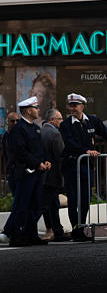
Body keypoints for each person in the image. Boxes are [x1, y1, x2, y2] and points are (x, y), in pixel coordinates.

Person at [60, 93, 107, 242]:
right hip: (72, 166)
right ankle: (75, 229)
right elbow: (69, 143)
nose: (72, 108)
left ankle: (81, 227)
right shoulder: (65, 125)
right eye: (70, 105)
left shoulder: (91, 121)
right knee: (73, 199)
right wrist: (85, 151)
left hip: (86, 166)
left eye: (75, 105)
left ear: (82, 106)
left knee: (85, 198)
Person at [4, 97, 51, 247]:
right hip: (26, 173)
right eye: (36, 108)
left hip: (37, 172)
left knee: (35, 205)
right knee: (22, 205)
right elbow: (21, 151)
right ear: (28, 110)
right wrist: (37, 163)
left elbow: (39, 149)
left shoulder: (34, 127)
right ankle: (17, 236)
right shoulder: (19, 129)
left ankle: (31, 234)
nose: (38, 110)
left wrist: (45, 160)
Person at [40, 108, 70, 242]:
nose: (62, 121)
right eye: (60, 119)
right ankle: (56, 231)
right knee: (50, 204)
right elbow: (61, 156)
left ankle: (56, 230)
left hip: (43, 174)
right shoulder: (55, 133)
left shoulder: (40, 131)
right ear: (53, 120)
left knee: (51, 203)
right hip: (54, 174)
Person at [0, 112, 20, 243]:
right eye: (12, 121)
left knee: (20, 204)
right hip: (14, 174)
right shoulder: (7, 136)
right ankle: (9, 231)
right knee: (18, 204)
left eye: (17, 121)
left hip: (21, 173)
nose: (15, 123)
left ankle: (13, 231)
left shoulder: (20, 134)